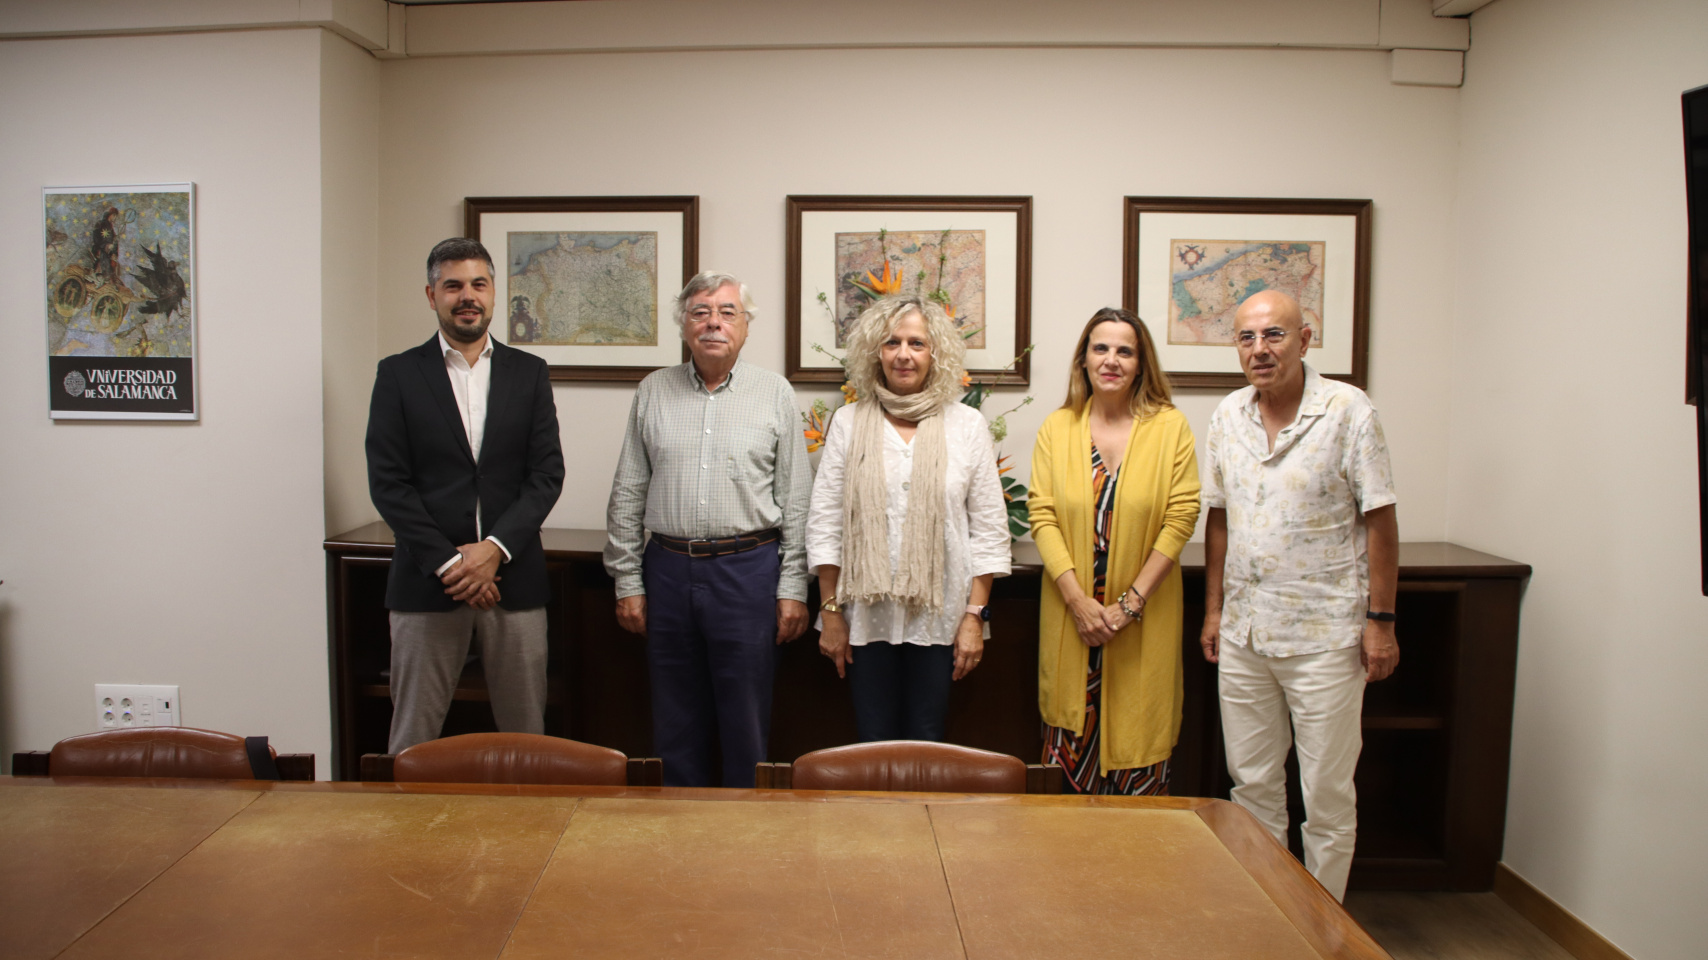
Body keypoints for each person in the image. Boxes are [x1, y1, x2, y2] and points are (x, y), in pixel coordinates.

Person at [1199, 289, 1399, 902]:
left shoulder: (1347, 410)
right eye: (1247, 338)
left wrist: (1381, 621)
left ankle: (1319, 928)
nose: (1260, 349)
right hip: (1245, 633)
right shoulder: (1227, 416)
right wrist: (1213, 609)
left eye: (1274, 335)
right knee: (1252, 786)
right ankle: (1267, 917)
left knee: (1328, 796)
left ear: (1305, 339)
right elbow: (1220, 520)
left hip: (1325, 637)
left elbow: (1380, 521)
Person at [604, 271, 812, 787]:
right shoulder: (653, 390)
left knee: (745, 716)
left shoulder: (774, 393)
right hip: (668, 571)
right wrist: (628, 580)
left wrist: (792, 588)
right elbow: (628, 491)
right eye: (701, 312)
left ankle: (744, 837)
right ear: (684, 325)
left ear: (745, 327)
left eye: (726, 313)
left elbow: (796, 499)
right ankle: (679, 832)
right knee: (674, 715)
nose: (713, 323)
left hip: (748, 572)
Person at [366, 237, 565, 753]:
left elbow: (546, 474)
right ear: (431, 296)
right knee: (413, 738)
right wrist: (452, 564)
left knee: (526, 740)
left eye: (478, 283)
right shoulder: (398, 374)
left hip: (513, 582)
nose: (467, 295)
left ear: (494, 293)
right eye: (452, 285)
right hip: (428, 584)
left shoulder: (529, 373)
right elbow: (389, 483)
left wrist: (493, 551)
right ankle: (406, 835)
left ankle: (526, 835)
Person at [806, 297, 1011, 742]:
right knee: (870, 740)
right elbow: (826, 523)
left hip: (941, 619)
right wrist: (831, 614)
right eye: (892, 342)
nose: (904, 354)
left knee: (928, 739)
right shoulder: (846, 422)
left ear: (935, 353)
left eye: (917, 343)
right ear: (874, 352)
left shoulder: (967, 425)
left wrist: (975, 618)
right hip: (864, 617)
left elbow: (990, 532)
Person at [1029, 307, 1200, 795]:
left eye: (1125, 350)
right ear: (1083, 359)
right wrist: (1080, 603)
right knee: (1066, 780)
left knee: (1137, 754)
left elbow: (1182, 516)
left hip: (1141, 618)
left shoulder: (1170, 428)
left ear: (1141, 363)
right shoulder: (1057, 428)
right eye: (1100, 348)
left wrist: (1130, 605)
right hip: (1072, 618)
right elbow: (1042, 516)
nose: (1111, 360)